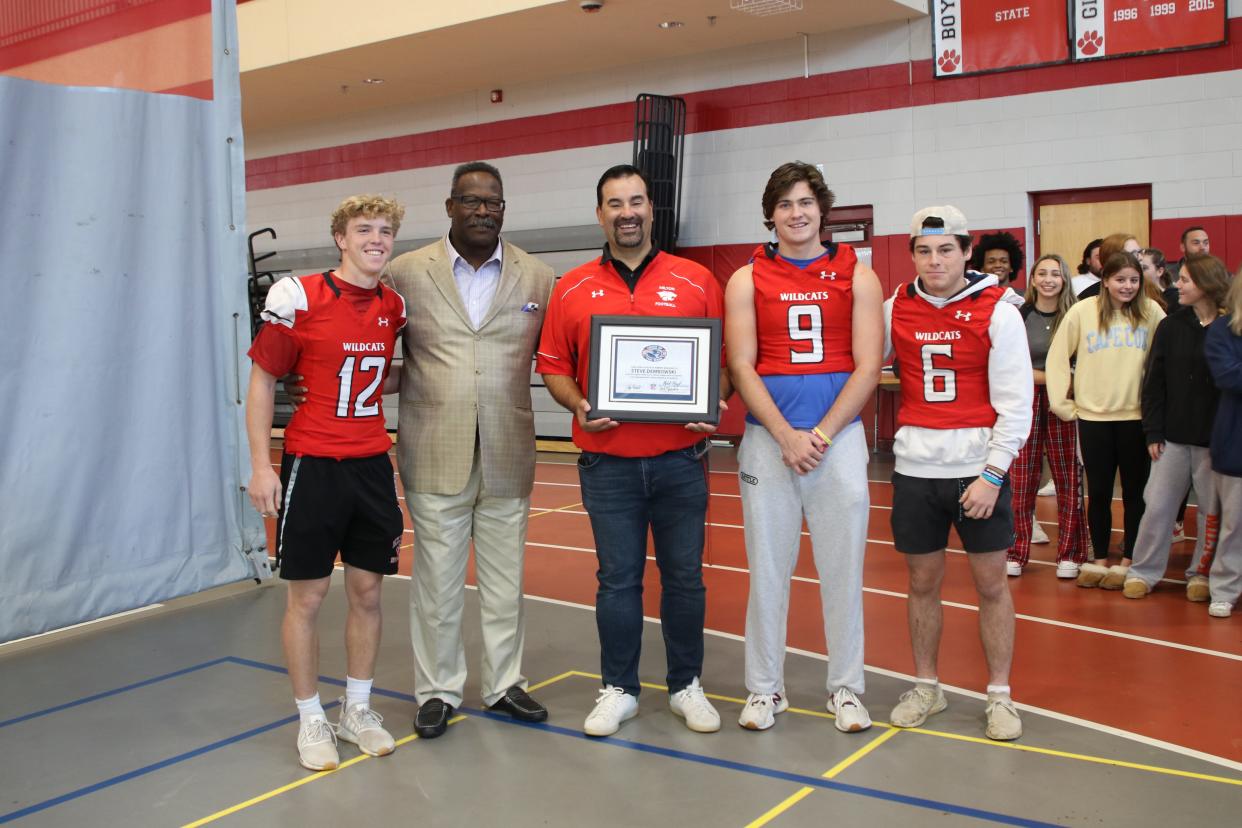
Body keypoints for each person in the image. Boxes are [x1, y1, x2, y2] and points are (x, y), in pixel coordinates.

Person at [537, 164, 729, 737]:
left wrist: (711, 402)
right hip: (608, 463)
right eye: (615, 203)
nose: (628, 212)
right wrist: (577, 406)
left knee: (685, 578)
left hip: (681, 460)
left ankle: (685, 685)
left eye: (637, 201)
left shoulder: (696, 280)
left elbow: (726, 362)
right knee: (617, 581)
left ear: (652, 209)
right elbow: (552, 365)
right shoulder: (571, 286)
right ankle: (618, 688)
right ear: (600, 214)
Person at [388, 162, 556, 739]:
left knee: (507, 582)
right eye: (473, 201)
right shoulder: (405, 272)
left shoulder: (538, 277)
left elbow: (560, 358)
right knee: (436, 582)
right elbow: (374, 353)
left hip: (509, 448)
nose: (485, 211)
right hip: (435, 448)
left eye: (495, 203)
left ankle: (505, 683)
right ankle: (437, 690)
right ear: (450, 205)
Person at [246, 195, 407, 770]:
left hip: (371, 463)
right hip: (312, 463)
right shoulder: (299, 296)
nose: (376, 239)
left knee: (368, 592)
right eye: (364, 229)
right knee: (308, 596)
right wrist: (263, 465)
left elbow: (375, 374)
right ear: (340, 237)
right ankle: (311, 714)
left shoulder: (394, 304)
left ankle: (356, 708)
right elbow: (264, 380)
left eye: (386, 230)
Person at [724, 162, 881, 733]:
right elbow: (741, 365)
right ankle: (765, 689)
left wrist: (818, 435)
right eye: (786, 203)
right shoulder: (746, 279)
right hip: (769, 441)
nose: (797, 212)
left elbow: (868, 366)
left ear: (823, 209)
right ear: (771, 213)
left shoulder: (858, 274)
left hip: (836, 441)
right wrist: (787, 435)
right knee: (767, 570)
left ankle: (846, 688)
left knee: (843, 571)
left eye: (806, 202)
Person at [883, 206, 1032, 742]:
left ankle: (999, 694)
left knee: (991, 585)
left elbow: (1017, 403)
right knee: (922, 583)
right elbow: (857, 366)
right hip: (916, 468)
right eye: (923, 250)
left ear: (967, 252)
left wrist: (994, 474)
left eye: (946, 249)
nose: (934, 260)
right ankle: (927, 686)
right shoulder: (895, 306)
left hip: (977, 470)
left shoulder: (999, 310)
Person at [1047, 252, 1166, 588]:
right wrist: (1062, 404)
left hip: (1136, 418)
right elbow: (1058, 357)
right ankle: (1099, 559)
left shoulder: (1152, 312)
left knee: (1134, 493)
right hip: (1093, 419)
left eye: (1133, 280)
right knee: (1098, 493)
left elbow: (1162, 364)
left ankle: (1129, 559)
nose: (1127, 286)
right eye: (1120, 279)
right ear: (1106, 280)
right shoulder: (1082, 312)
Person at [1123, 254, 1228, 600]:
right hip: (1171, 439)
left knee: (1212, 513)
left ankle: (1201, 572)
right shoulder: (1170, 326)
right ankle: (1144, 570)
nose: (1176, 286)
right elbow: (1154, 383)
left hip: (1216, 441)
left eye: (1184, 280)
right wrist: (1153, 431)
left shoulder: (1231, 328)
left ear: (1206, 284)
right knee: (1157, 506)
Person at [1006, 254, 1091, 578]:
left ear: (1064, 279)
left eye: (1056, 273)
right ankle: (1016, 551)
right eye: (1042, 273)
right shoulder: (1019, 315)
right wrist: (1045, 376)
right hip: (1025, 401)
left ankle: (1070, 553)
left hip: (1064, 402)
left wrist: (1047, 378)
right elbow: (1011, 364)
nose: (1048, 279)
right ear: (1032, 280)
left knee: (1068, 477)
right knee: (1022, 477)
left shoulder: (1076, 315)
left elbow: (1080, 362)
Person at [1203, 267, 1242, 619]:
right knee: (1235, 524)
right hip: (1236, 443)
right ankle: (1225, 588)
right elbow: (1229, 375)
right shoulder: (1222, 330)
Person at [969, 231, 1025, 306]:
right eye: (991, 262)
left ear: (1011, 267)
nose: (998, 265)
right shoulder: (974, 298)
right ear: (982, 268)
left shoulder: (1024, 298)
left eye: (1004, 261)